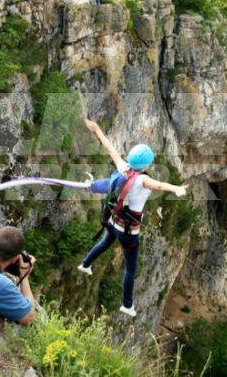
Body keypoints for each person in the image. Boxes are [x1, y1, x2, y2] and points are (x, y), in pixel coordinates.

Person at [77, 119, 189, 317]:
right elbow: (160, 185)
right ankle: (127, 305)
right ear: (146, 164)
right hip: (129, 233)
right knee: (130, 267)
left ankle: (85, 265)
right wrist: (177, 189)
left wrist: (97, 129)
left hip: (113, 222)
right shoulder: (142, 180)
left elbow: (109, 148)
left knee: (105, 243)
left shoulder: (122, 168)